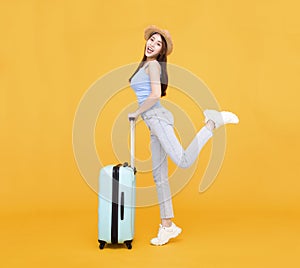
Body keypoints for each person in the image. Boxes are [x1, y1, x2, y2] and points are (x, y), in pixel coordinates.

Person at [128, 25, 239, 246]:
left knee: (184, 160)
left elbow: (155, 95)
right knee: (159, 177)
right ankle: (167, 226)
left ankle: (212, 122)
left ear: (162, 52)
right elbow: (147, 95)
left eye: (158, 43)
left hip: (157, 118)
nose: (152, 44)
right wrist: (141, 115)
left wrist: (137, 113)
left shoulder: (153, 66)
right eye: (152, 39)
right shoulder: (145, 65)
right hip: (153, 122)